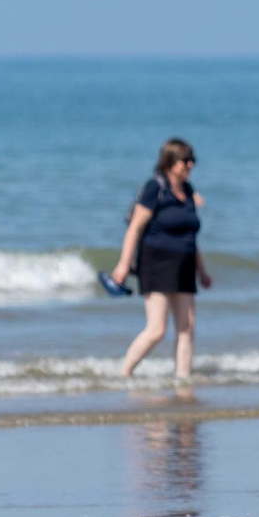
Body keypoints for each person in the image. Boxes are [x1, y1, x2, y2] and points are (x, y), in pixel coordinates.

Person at [112, 139, 213, 378]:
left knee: (187, 327)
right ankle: (124, 373)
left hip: (185, 264)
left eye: (192, 160)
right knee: (157, 329)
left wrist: (202, 270)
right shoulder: (155, 188)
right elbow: (135, 228)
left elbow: (191, 236)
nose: (190, 165)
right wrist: (123, 265)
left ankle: (183, 379)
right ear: (169, 162)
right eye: (185, 160)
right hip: (156, 263)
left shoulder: (188, 191)